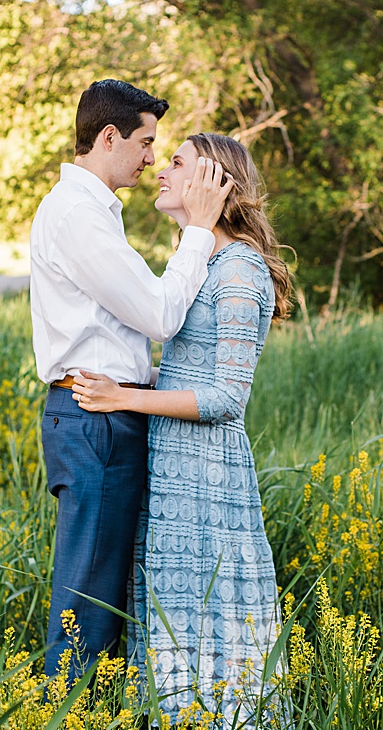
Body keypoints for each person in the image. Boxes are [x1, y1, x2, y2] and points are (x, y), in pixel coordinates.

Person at [71, 133, 292, 722]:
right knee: (174, 621)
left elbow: (226, 398)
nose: (160, 170)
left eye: (175, 163)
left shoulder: (241, 268)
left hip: (207, 475)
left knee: (210, 624)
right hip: (171, 470)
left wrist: (124, 397)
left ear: (215, 184)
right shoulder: (201, 260)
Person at [31, 79, 232, 683]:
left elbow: (126, 332)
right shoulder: (76, 216)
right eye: (146, 142)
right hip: (95, 422)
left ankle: (88, 709)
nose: (151, 157)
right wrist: (199, 230)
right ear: (109, 137)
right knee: (87, 599)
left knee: (107, 595)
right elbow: (159, 315)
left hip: (110, 413)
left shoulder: (93, 213)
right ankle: (66, 713)